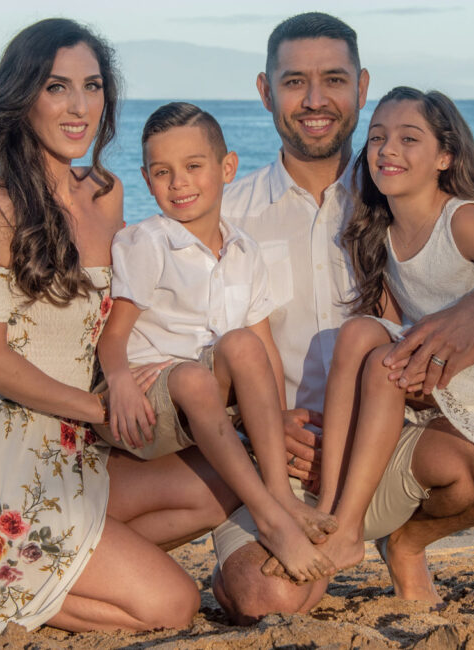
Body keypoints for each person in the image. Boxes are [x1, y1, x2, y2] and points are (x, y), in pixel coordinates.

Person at [212, 12, 474, 621]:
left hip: (379, 440)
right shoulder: (227, 214)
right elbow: (186, 346)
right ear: (265, 90)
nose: (315, 100)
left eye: (334, 80)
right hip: (277, 462)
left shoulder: (393, 189)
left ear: (361, 87)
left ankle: (403, 543)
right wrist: (255, 422)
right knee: (268, 600)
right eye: (295, 81)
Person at [0, 19, 236, 637]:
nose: (80, 106)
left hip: (82, 452)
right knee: (172, 605)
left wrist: (169, 384)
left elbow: (132, 314)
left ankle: (61, 562)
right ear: (23, 96)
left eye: (93, 86)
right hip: (0, 458)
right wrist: (100, 409)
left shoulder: (107, 193)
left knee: (223, 480)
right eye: (57, 87)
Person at [305, 86, 474, 573]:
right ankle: (332, 507)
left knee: (384, 363)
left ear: (445, 157)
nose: (388, 150)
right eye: (377, 137)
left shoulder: (463, 220)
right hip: (437, 371)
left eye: (409, 138)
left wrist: (459, 358)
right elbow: (387, 321)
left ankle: (351, 527)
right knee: (358, 335)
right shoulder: (381, 232)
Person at [95, 102, 336, 583]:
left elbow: (263, 350)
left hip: (204, 404)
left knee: (242, 343)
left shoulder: (244, 250)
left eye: (193, 166)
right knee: (191, 378)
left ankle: (280, 496)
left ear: (227, 168)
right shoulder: (149, 242)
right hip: (142, 401)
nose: (178, 183)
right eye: (162, 172)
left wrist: (276, 419)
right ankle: (270, 519)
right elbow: (113, 333)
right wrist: (118, 381)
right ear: (146, 180)